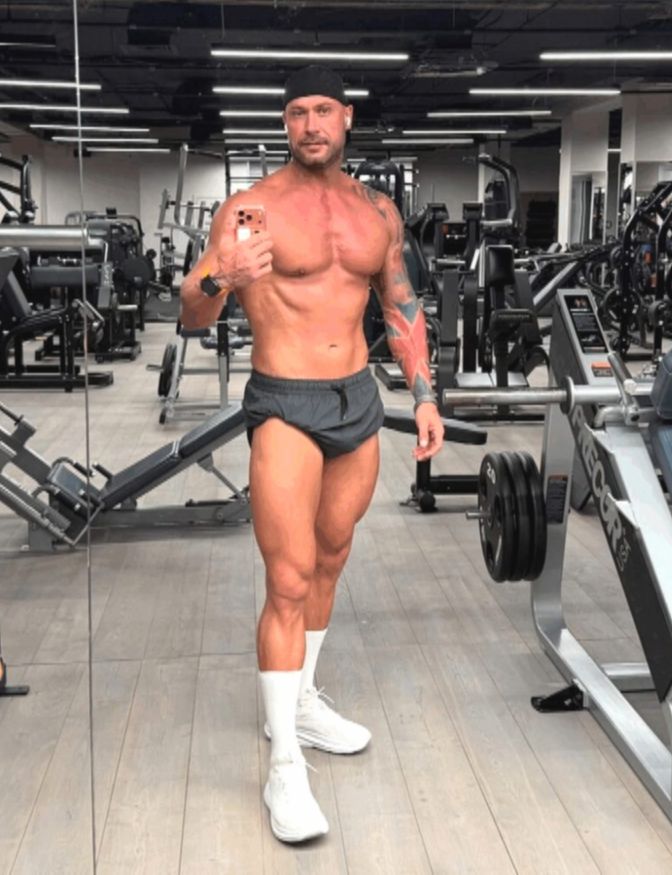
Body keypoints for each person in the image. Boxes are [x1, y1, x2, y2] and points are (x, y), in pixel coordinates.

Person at [180, 65, 445, 843]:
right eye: (296, 112)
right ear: (285, 124)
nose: (310, 124)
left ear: (346, 117)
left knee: (329, 559)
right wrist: (219, 274)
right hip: (285, 402)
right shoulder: (250, 209)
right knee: (288, 577)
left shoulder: (375, 211)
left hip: (355, 399)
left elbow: (399, 301)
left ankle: (298, 702)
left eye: (322, 109)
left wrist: (424, 394)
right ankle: (284, 765)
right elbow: (192, 315)